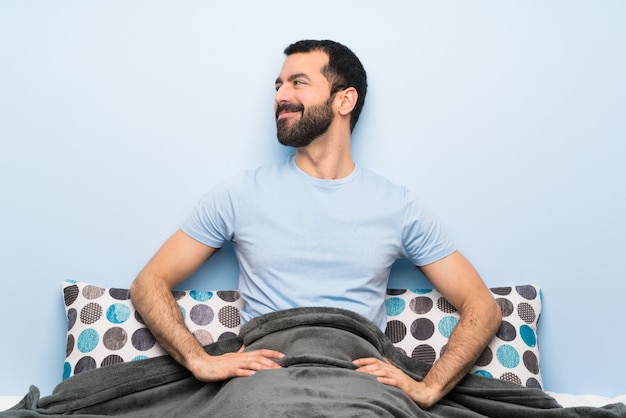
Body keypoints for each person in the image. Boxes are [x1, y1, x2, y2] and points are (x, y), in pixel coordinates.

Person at [130, 39, 502, 409]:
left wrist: (430, 387)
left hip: (358, 380)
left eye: (298, 82)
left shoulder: (398, 206)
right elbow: (149, 282)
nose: (280, 95)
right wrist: (200, 360)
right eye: (278, 85)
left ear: (344, 100)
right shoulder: (239, 194)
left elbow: (482, 307)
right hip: (265, 379)